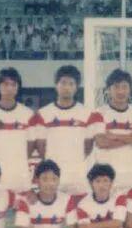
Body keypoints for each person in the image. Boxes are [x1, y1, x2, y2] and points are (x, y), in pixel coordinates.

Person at [88, 69, 132, 191]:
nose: (121, 91)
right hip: (106, 176)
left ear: (130, 90)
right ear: (108, 90)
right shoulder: (98, 113)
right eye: (116, 87)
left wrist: (114, 136)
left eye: (124, 87)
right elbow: (101, 142)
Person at [34, 65, 93, 194]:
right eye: (63, 83)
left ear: (76, 87)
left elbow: (88, 146)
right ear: (56, 85)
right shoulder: (43, 113)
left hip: (78, 175)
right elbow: (40, 146)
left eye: (71, 84)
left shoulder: (86, 113)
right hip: (53, 175)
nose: (67, 87)